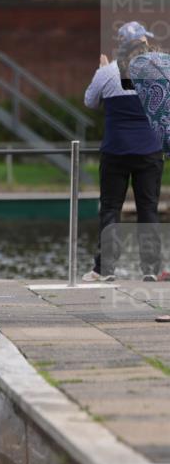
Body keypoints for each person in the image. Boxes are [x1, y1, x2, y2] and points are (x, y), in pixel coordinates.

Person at [83, 21, 166, 282]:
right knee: (148, 209)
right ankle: (151, 269)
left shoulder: (107, 72)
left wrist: (101, 70)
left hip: (115, 150)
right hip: (150, 151)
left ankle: (105, 270)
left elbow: (89, 102)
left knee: (110, 209)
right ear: (144, 43)